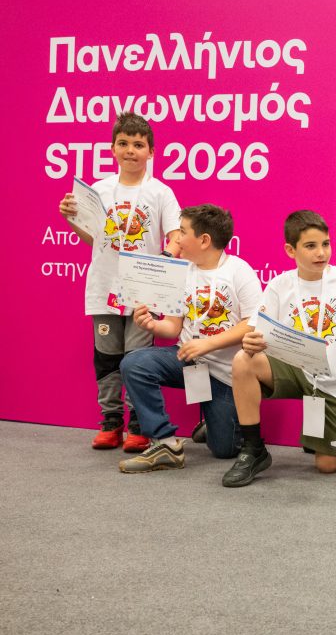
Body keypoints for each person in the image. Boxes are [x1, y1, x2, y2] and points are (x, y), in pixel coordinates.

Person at [221, 210, 336, 487]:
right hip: (294, 370)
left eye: (325, 244)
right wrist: (251, 342)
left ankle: (326, 438)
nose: (321, 252)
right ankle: (253, 449)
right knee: (243, 360)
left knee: (327, 466)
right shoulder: (279, 285)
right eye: (310, 246)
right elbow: (256, 331)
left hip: (333, 381)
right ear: (290, 250)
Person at [57, 112, 181, 452]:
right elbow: (93, 239)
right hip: (104, 288)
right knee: (107, 358)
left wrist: (162, 261)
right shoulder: (98, 190)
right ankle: (110, 423)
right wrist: (71, 220)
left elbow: (175, 236)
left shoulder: (161, 192)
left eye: (138, 145)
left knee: (137, 358)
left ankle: (139, 425)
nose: (130, 151)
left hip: (144, 293)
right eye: (123, 144)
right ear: (112, 149)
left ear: (151, 152)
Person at [118, 205, 261, 471]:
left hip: (225, 374)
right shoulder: (182, 271)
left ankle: (215, 422)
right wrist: (152, 325)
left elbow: (252, 324)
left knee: (225, 450)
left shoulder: (239, 271)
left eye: (183, 232)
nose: (177, 239)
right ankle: (165, 442)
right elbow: (173, 327)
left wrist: (208, 344)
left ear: (204, 240)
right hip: (186, 361)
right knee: (134, 363)